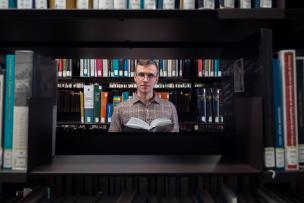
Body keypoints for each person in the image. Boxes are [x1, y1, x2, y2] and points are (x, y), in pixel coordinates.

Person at [108, 59, 179, 132]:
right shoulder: (120, 108)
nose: (145, 79)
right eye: (141, 74)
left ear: (156, 79)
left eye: (150, 75)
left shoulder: (170, 107)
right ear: (135, 77)